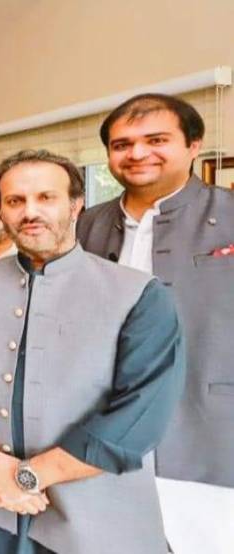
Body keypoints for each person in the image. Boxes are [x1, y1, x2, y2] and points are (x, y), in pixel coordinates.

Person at [0, 150, 184, 553]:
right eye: (15, 201)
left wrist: (26, 477)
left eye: (46, 197)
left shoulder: (139, 294)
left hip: (92, 517)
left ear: (75, 204)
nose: (30, 212)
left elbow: (139, 415)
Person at [77, 93, 234, 554]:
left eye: (156, 140)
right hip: (102, 428)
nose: (138, 153)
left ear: (193, 145)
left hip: (208, 429)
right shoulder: (85, 226)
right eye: (122, 144)